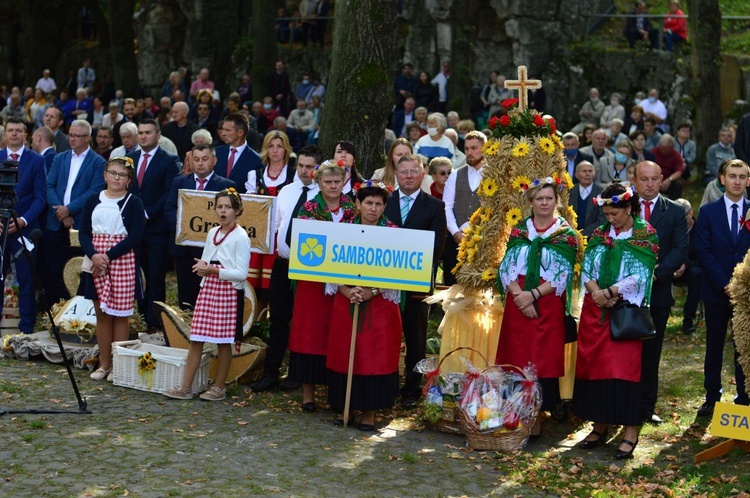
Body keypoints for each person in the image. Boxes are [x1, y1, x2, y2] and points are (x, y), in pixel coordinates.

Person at [574, 182, 658, 460]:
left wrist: (612, 292)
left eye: (616, 215)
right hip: (596, 310)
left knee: (624, 370)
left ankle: (630, 431)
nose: (611, 220)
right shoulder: (599, 234)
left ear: (630, 208)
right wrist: (596, 291)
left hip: (625, 311)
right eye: (607, 214)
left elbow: (642, 274)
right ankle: (599, 425)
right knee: (597, 368)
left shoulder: (646, 235)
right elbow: (587, 267)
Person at [496, 180, 579, 437]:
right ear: (530, 202)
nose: (544, 203)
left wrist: (532, 296)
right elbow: (506, 266)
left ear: (557, 202)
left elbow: (562, 273)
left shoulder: (566, 235)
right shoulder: (520, 230)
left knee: (540, 358)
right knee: (516, 355)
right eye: (539, 198)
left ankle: (536, 419)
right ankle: (513, 414)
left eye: (549, 198)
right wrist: (519, 296)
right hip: (517, 298)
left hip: (547, 299)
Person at [327, 182, 403, 430]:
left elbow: (398, 272)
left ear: (384, 207)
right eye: (368, 203)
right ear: (358, 204)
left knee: (373, 356)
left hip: (380, 305)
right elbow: (331, 266)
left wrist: (373, 292)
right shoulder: (343, 230)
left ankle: (369, 412)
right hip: (346, 300)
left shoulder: (393, 232)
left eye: (378, 204)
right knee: (344, 352)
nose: (373, 208)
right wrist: (347, 290)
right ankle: (345, 406)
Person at [164, 188, 251, 401]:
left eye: (228, 207)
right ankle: (186, 387)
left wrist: (214, 271)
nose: (223, 211)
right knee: (196, 338)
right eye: (219, 207)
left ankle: (219, 387)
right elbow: (207, 258)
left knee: (223, 341)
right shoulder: (213, 233)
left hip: (227, 292)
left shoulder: (241, 237)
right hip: (209, 289)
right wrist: (203, 268)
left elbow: (241, 273)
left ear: (237, 210)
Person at [250, 145, 321, 393]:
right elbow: (278, 225)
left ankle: (297, 374)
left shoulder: (323, 196)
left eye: (309, 167)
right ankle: (271, 372)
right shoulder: (287, 191)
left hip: (308, 270)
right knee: (278, 318)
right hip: (282, 263)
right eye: (300, 165)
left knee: (302, 321)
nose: (304, 171)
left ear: (318, 168)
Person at [288, 160, 356, 410]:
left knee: (337, 333)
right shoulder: (308, 208)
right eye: (328, 182)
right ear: (318, 183)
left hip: (344, 280)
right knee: (310, 334)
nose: (333, 186)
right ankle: (308, 394)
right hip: (313, 283)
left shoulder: (352, 207)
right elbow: (300, 242)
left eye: (338, 181)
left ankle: (335, 391)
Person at [384, 155, 446, 408]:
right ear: (396, 175)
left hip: (417, 282)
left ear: (423, 175)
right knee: (385, 334)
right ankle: (385, 385)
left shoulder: (434, 206)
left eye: (414, 171)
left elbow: (437, 246)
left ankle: (411, 389)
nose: (409, 176)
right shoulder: (383, 202)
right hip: (384, 281)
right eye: (404, 171)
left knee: (416, 337)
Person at [80, 157, 145, 381]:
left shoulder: (133, 202)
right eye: (113, 173)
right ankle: (104, 364)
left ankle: (119, 366)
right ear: (105, 175)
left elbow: (136, 236)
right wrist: (94, 255)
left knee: (120, 315)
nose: (117, 178)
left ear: (129, 180)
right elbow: (84, 232)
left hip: (121, 260)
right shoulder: (92, 200)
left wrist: (108, 256)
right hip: (96, 262)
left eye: (122, 175)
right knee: (102, 314)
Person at [633, 161, 688, 424]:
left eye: (654, 179)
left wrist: (655, 274)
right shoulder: (623, 207)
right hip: (624, 295)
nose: (649, 184)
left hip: (658, 292)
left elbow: (679, 249)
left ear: (662, 179)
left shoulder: (675, 211)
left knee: (651, 353)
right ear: (635, 180)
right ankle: (622, 404)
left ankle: (645, 407)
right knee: (625, 351)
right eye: (644, 179)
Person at [695, 159, 750, 417]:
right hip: (716, 292)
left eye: (742, 176)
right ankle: (711, 396)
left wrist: (741, 285)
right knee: (714, 345)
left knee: (745, 346)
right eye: (732, 176)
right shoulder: (708, 212)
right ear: (722, 179)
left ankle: (745, 396)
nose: (737, 181)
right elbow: (703, 252)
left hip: (747, 294)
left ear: (748, 181)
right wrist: (724, 284)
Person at [165, 145, 235, 310]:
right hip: (184, 249)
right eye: (196, 159)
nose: (200, 163)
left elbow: (232, 215)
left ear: (214, 161)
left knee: (208, 293)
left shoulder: (226, 186)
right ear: (191, 161)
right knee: (185, 294)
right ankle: (184, 330)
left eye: (205, 159)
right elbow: (169, 209)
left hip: (213, 251)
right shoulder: (179, 182)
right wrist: (184, 228)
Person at [45, 119, 107, 304]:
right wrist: (61, 211)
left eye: (77, 136)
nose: (72, 139)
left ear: (87, 137)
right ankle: (57, 308)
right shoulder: (60, 158)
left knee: (79, 268)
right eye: (70, 135)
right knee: (54, 268)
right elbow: (50, 185)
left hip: (81, 223)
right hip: (56, 222)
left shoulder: (98, 162)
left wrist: (70, 210)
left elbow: (94, 191)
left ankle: (79, 309)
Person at [128, 119, 181, 331]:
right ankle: (141, 317)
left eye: (147, 132)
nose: (143, 136)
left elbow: (169, 194)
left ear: (158, 135)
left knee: (156, 276)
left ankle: (157, 321)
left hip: (157, 228)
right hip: (134, 229)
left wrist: (146, 212)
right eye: (140, 132)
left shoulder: (169, 160)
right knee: (137, 276)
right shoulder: (129, 159)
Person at [0, 118, 46, 334]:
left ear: (25, 135)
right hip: (0, 228)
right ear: (5, 133)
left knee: (27, 280)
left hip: (25, 229)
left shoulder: (36, 161)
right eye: (11, 130)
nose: (14, 134)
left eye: (19, 130)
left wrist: (23, 220)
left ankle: (26, 329)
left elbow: (40, 197)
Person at [246, 131, 297, 295]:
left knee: (275, 281)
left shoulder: (293, 175)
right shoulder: (255, 175)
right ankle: (256, 315)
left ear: (286, 150)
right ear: (266, 150)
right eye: (271, 146)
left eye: (279, 146)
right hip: (259, 233)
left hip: (281, 234)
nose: (275, 150)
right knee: (255, 281)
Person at [444, 131, 486, 286]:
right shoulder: (456, 174)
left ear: (484, 149)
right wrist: (456, 232)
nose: (469, 153)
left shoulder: (494, 175)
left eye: (474, 148)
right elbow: (446, 206)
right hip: (457, 239)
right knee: (453, 283)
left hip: (485, 239)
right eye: (467, 149)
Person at [672, 198, 702, 334]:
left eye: (682, 216)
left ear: (690, 214)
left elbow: (702, 257)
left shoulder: (701, 231)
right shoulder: (673, 228)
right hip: (671, 268)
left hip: (691, 269)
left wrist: (685, 265)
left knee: (697, 274)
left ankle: (688, 319)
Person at [214, 113, 263, 193]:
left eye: (227, 130)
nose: (223, 133)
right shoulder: (216, 153)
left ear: (240, 133)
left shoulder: (256, 160)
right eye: (223, 130)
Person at [570, 161, 606, 237]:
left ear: (594, 174)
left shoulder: (601, 192)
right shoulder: (570, 191)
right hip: (571, 235)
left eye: (590, 171)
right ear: (576, 175)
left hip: (593, 237)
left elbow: (602, 219)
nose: (587, 174)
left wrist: (583, 235)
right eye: (584, 171)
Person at [650, 134, 686, 199]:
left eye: (665, 148)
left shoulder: (676, 155)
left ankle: (673, 204)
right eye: (661, 147)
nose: (662, 150)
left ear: (671, 147)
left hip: (668, 180)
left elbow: (679, 172)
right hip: (654, 179)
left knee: (678, 184)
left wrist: (669, 179)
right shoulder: (653, 152)